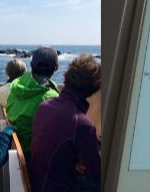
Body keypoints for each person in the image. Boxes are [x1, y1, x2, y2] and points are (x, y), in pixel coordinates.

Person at [29, 54, 102, 192]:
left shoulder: (44, 106)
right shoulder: (80, 123)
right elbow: (98, 176)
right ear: (93, 87)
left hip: (38, 183)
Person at [6, 47, 60, 155]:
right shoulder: (51, 98)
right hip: (32, 156)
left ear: (31, 65)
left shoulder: (17, 84)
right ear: (56, 68)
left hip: (16, 148)